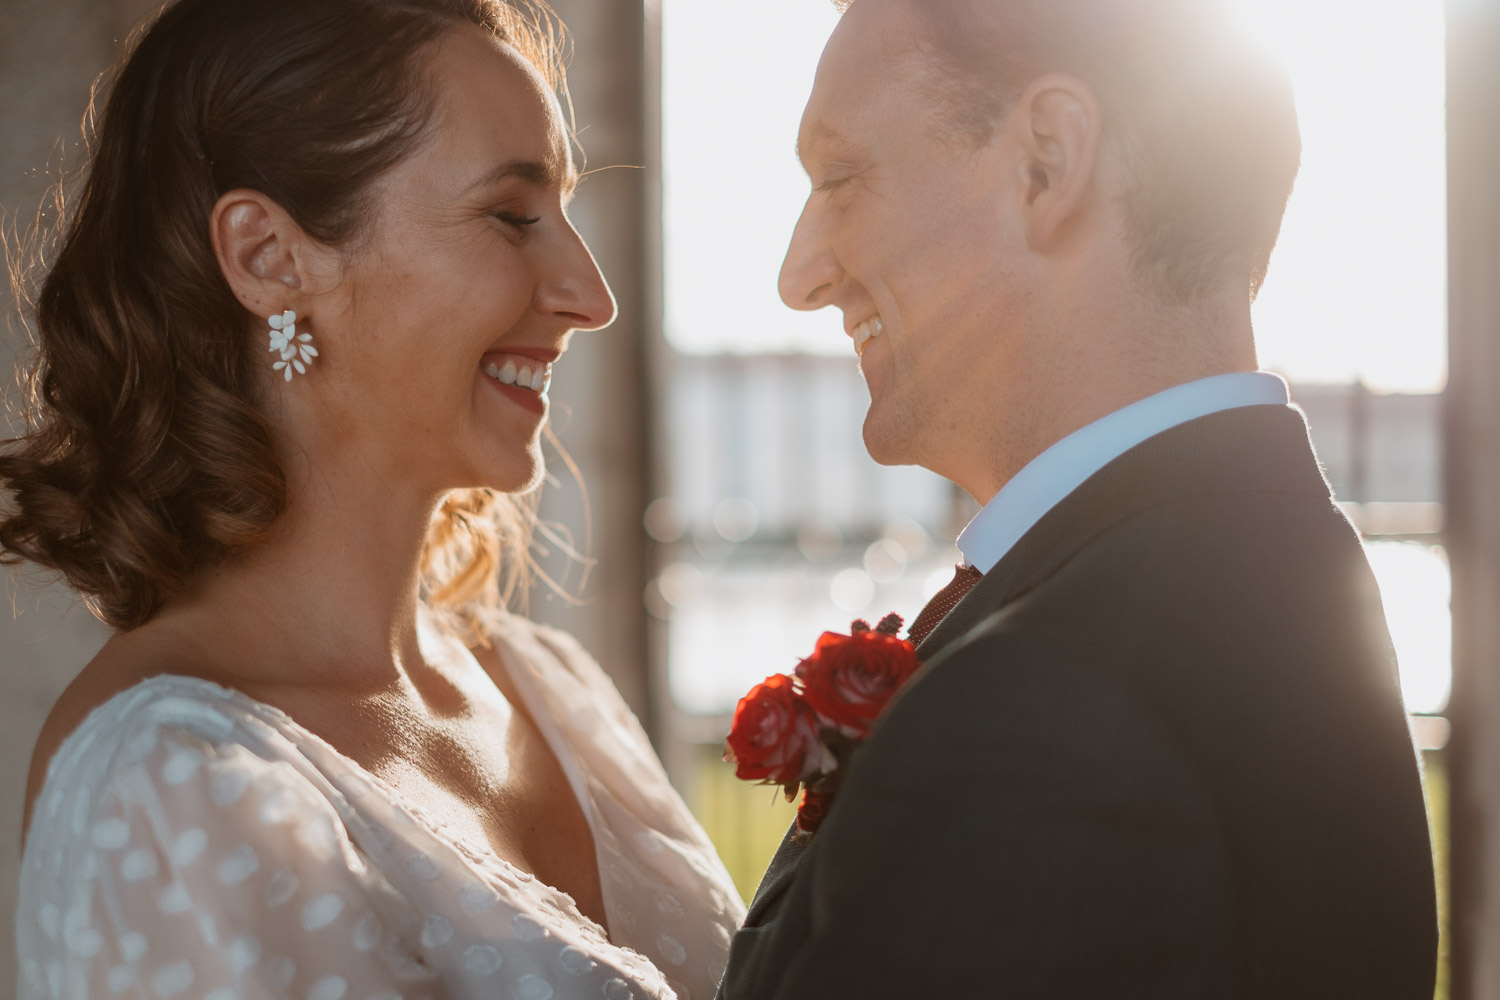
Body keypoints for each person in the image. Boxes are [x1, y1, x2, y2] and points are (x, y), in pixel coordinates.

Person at [3, 1, 743, 997]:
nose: (589, 292)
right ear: (269, 256)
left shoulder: (550, 689)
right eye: (512, 215)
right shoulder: (167, 786)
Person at [718, 0, 1438, 997]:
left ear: (1046, 162)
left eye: (842, 177)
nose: (801, 274)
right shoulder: (1269, 567)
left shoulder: (1039, 710)